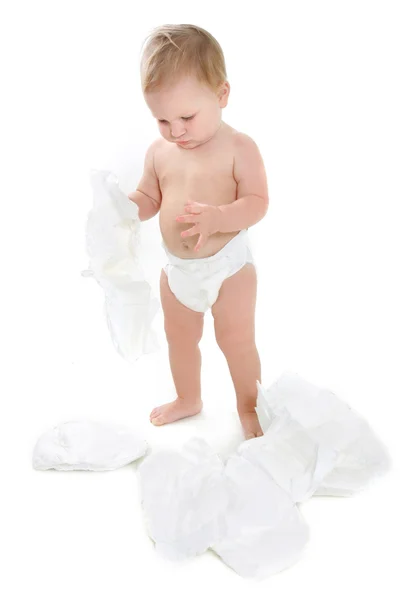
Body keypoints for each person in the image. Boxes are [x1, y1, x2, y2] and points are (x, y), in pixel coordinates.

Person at [128, 24, 269, 439]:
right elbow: (148, 199)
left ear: (221, 96)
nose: (176, 131)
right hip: (178, 274)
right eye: (163, 120)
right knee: (180, 340)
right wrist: (123, 209)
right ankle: (188, 397)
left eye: (187, 116)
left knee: (236, 340)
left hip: (228, 269)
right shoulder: (159, 153)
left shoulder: (239, 147)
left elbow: (258, 203)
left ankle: (249, 405)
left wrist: (219, 218)